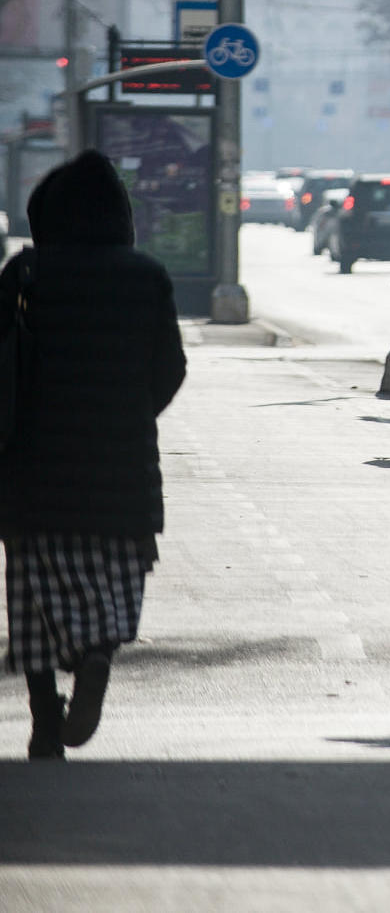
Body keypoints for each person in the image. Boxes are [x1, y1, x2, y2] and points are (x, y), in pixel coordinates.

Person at [0, 151, 186, 759]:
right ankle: (96, 652)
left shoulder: (23, 274)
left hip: (31, 468)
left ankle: (45, 722)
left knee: (30, 594)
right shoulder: (148, 275)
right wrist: (128, 418)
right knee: (112, 579)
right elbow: (171, 369)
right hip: (122, 469)